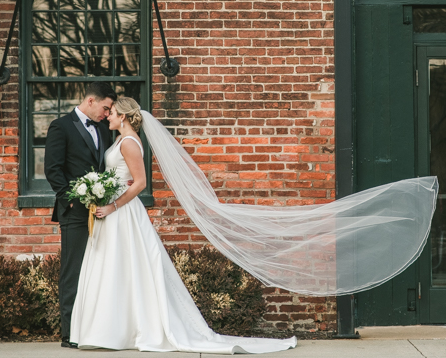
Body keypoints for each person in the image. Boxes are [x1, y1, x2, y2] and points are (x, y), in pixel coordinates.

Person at [69, 98, 297, 353]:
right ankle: (110, 329)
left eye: (111, 113)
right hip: (112, 211)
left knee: (126, 265)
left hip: (122, 212)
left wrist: (113, 206)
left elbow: (140, 183)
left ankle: (126, 330)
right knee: (116, 267)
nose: (107, 116)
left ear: (122, 116)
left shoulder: (130, 143)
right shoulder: (121, 140)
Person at [44, 82, 117, 349]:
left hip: (103, 212)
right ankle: (69, 332)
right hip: (74, 212)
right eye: (105, 108)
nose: (107, 114)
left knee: (99, 271)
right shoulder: (60, 126)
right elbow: (52, 169)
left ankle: (95, 329)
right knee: (73, 271)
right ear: (90, 100)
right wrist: (73, 201)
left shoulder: (103, 129)